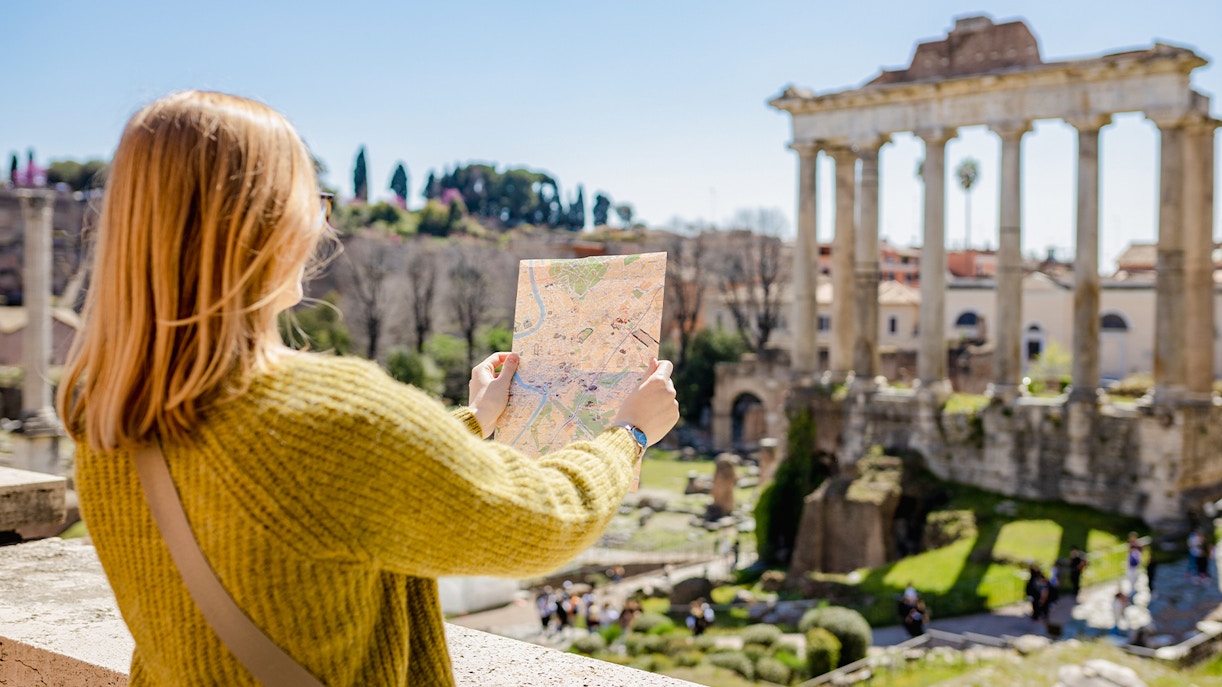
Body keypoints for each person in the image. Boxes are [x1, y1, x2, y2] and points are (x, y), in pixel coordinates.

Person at [57, 91, 680, 686]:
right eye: (313, 205)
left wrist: (472, 423)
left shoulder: (104, 420)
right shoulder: (325, 417)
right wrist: (627, 433)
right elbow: (546, 521)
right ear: (268, 227)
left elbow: (325, 501)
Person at [1127, 532, 1143, 599]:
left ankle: (1134, 588)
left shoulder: (1138, 544)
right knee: (1131, 576)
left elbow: (1141, 550)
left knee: (1135, 576)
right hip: (1131, 563)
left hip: (1135, 563)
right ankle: (1132, 587)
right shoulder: (1130, 544)